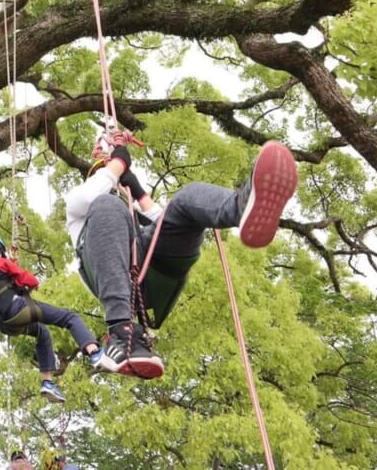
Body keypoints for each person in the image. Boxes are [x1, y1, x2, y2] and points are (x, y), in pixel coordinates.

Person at [65, 139, 298, 379]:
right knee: (107, 204)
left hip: (155, 268)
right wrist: (117, 163)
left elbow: (163, 218)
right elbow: (87, 197)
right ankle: (122, 335)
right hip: (114, 278)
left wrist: (138, 190)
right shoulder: (79, 212)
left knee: (185, 201)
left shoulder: (131, 216)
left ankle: (241, 206)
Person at [0, 229, 105, 403]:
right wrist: (14, 269)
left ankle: (47, 382)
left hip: (3, 323)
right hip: (18, 309)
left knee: (42, 332)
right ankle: (95, 353)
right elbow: (31, 281)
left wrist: (10, 277)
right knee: (70, 318)